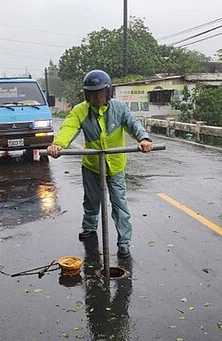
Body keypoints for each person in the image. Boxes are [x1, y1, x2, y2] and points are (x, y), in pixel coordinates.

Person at [47, 69, 153, 258]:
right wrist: (58, 145)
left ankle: (124, 243)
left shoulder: (119, 108)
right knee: (91, 200)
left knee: (119, 204)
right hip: (92, 165)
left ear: (108, 91)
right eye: (92, 93)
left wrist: (143, 138)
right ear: (87, 94)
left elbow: (132, 123)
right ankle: (89, 227)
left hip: (116, 165)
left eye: (101, 92)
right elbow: (69, 127)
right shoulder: (80, 110)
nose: (97, 97)